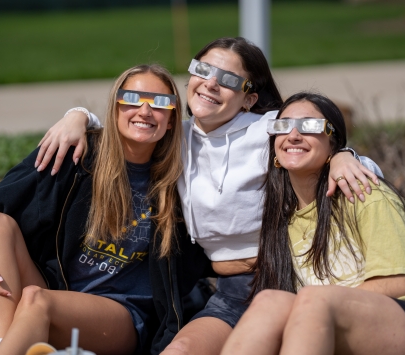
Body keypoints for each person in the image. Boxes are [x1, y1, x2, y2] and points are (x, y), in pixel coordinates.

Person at [35, 37, 383, 354]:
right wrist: (77, 116)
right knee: (179, 350)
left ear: (250, 98)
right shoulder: (175, 137)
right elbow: (129, 122)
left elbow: (324, 141)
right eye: (203, 70)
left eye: (230, 79)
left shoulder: (268, 128)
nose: (212, 83)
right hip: (231, 288)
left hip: (287, 276)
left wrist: (344, 156)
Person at [0, 64, 213, 355]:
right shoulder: (77, 154)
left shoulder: (182, 178)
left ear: (173, 119)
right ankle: (1, 348)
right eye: (132, 99)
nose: (145, 110)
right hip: (60, 294)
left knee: (37, 301)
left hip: (122, 314)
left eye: (160, 102)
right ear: (115, 108)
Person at [220, 91, 405, 355]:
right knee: (269, 300)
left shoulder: (365, 194)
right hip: (335, 324)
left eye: (310, 126)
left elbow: (399, 283)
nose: (293, 135)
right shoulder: (280, 218)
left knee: (314, 300)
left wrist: (318, 302)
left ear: (333, 144)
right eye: (282, 126)